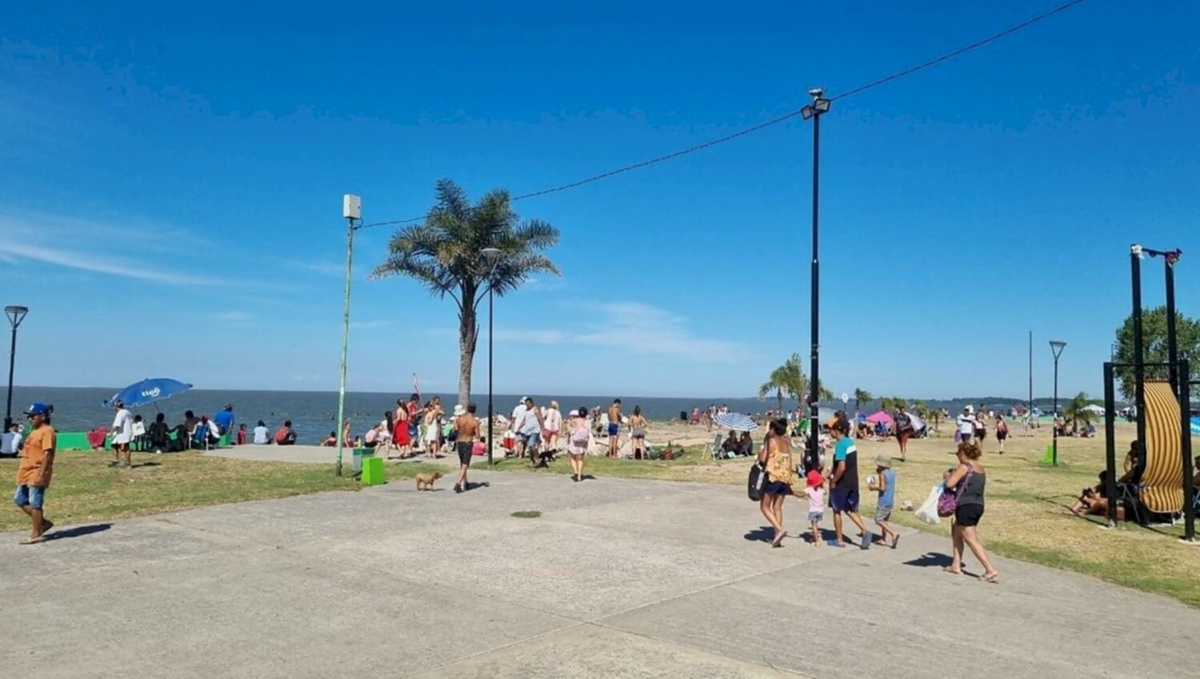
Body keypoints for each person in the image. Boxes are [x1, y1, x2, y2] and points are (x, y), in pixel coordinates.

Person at [944, 441, 998, 582]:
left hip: (965, 506)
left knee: (971, 539)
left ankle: (989, 569)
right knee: (956, 532)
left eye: (958, 453)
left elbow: (950, 484)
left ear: (963, 453)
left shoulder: (964, 467)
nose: (957, 456)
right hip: (977, 505)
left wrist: (947, 477)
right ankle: (956, 565)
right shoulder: (980, 468)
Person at [13, 403, 55, 544]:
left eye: (33, 415)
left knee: (35, 502)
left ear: (43, 416)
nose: (30, 418)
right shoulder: (34, 431)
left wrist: (41, 474)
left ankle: (36, 533)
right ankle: (42, 522)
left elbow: (47, 453)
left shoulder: (47, 431)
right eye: (29, 416)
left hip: (37, 471)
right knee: (19, 499)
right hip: (26, 471)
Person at [828, 419, 870, 549]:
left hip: (842, 483)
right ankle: (864, 530)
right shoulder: (851, 443)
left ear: (837, 430)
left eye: (831, 429)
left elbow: (841, 466)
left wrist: (834, 480)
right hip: (852, 481)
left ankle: (839, 539)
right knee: (850, 509)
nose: (829, 432)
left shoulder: (840, 445)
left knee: (836, 510)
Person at [757, 419, 794, 547]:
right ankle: (777, 536)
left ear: (773, 430)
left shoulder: (771, 442)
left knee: (764, 506)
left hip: (773, 477)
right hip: (785, 478)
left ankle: (779, 529)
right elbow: (789, 462)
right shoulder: (786, 443)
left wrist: (761, 450)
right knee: (777, 507)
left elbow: (762, 459)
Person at [868, 454, 900, 548]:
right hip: (890, 500)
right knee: (885, 520)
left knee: (878, 520)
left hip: (884, 500)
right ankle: (883, 539)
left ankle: (893, 533)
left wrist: (872, 487)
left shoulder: (882, 474)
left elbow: (882, 488)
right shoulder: (891, 473)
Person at [453, 403, 480, 493]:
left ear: (467, 409)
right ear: (475, 410)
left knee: (462, 464)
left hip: (460, 442)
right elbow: (477, 436)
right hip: (468, 442)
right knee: (465, 464)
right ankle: (458, 483)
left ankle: (465, 482)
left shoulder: (460, 419)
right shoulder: (474, 422)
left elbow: (455, 429)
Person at [518, 397, 546, 468]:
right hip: (528, 431)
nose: (527, 405)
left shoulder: (535, 409)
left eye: (528, 404)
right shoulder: (526, 411)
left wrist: (543, 430)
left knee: (531, 444)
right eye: (526, 404)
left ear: (531, 403)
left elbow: (540, 419)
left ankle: (537, 458)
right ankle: (532, 461)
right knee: (530, 447)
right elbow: (524, 420)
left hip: (535, 430)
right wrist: (519, 428)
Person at [803, 469, 825, 547]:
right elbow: (825, 491)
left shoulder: (809, 490)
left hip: (813, 510)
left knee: (814, 526)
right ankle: (815, 537)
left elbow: (802, 494)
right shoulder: (821, 490)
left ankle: (817, 540)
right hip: (820, 510)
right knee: (816, 524)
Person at [568, 406, 590, 482]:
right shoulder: (587, 421)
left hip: (574, 440)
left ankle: (575, 472)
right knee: (580, 459)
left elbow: (569, 428)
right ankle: (580, 476)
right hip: (583, 441)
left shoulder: (574, 420)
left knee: (572, 457)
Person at [110, 399, 133, 469]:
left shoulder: (120, 413)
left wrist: (110, 432)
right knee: (114, 446)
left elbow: (117, 425)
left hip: (123, 433)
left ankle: (128, 463)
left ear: (116, 406)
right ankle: (116, 461)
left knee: (125, 448)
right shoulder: (128, 412)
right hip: (126, 432)